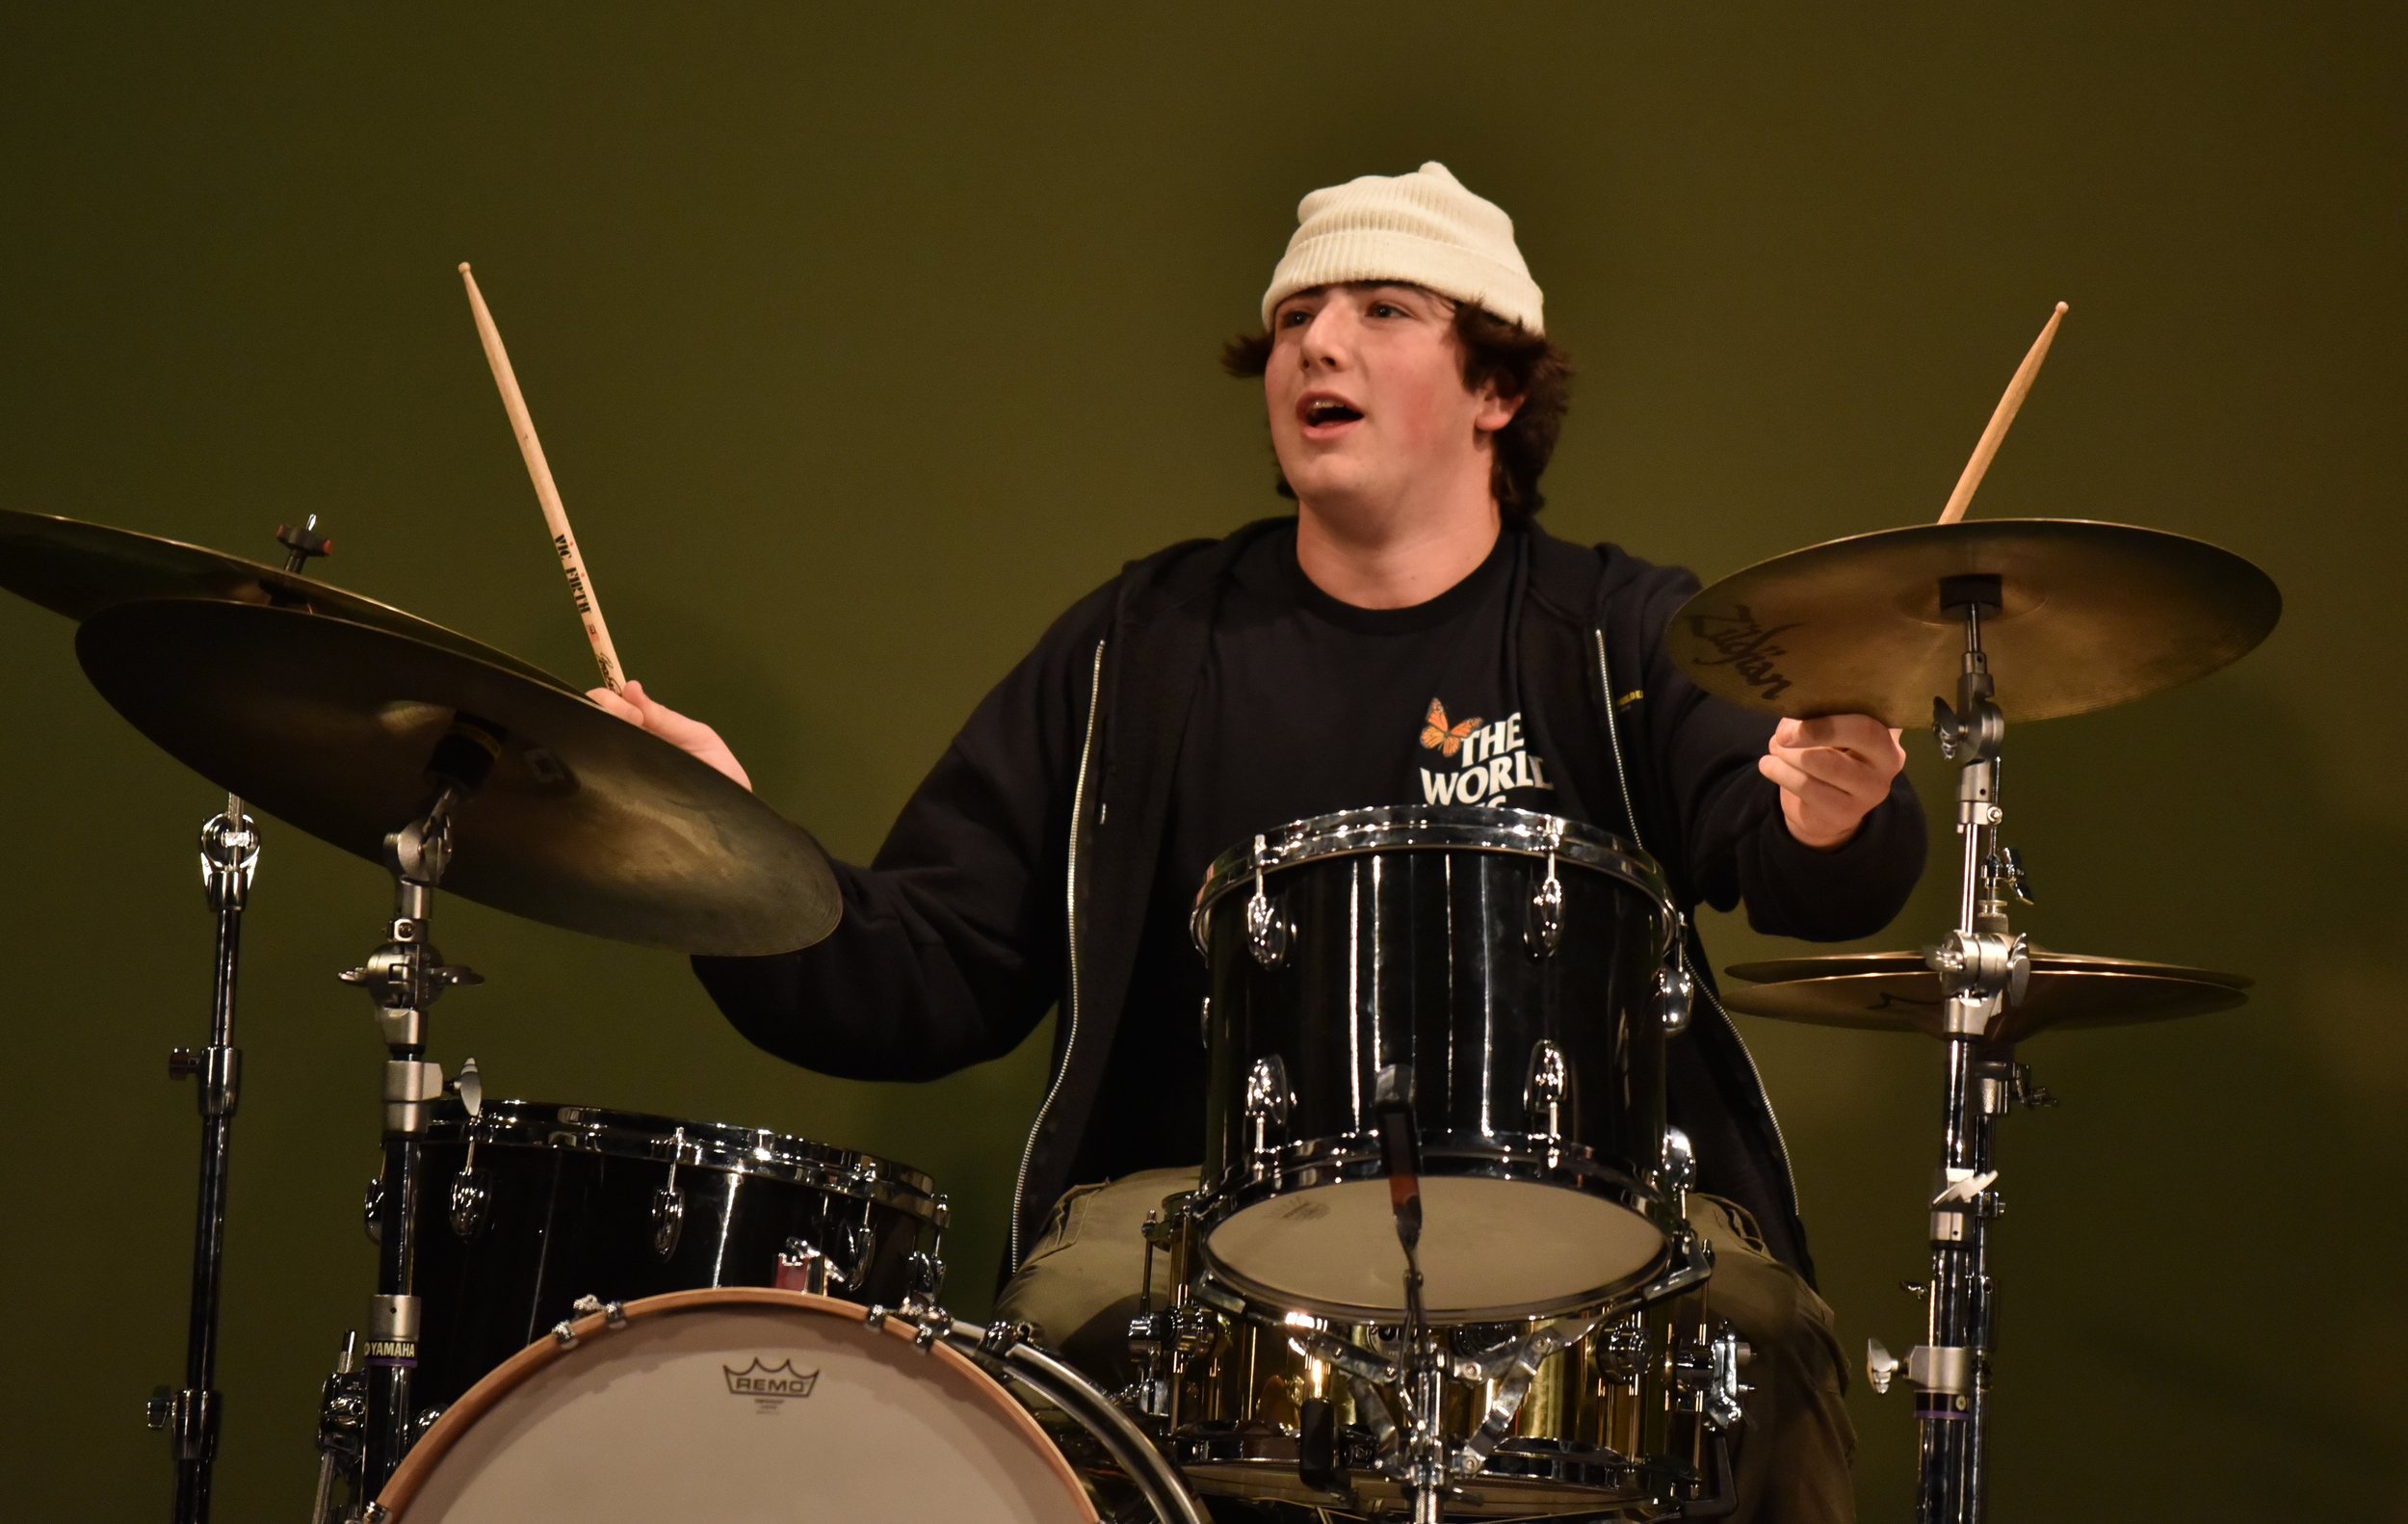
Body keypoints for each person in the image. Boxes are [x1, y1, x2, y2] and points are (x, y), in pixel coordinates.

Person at [595, 162, 1923, 1522]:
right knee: (1066, 1324)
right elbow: (934, 963)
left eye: (1385, 309)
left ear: (1498, 390)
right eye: (1296, 317)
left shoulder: (1613, 633)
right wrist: (714, 846)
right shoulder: (1143, 648)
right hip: (1206, 1241)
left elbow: (1792, 848)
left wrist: (1835, 812)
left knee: (1756, 1335)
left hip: (1596, 1235)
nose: (1319, 344)